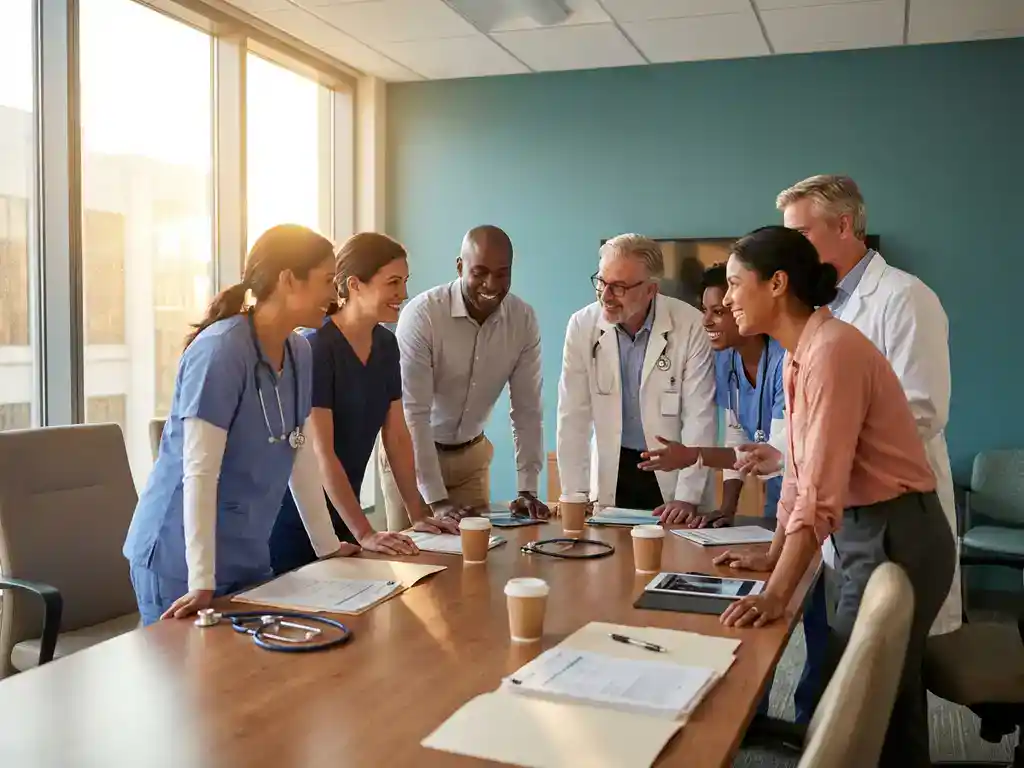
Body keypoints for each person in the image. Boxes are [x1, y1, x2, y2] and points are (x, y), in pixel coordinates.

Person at [660, 225, 952, 767]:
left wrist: (775, 594)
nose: (724, 301)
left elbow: (819, 492)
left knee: (862, 693)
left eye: (732, 284)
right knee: (884, 697)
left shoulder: (831, 352)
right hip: (870, 530)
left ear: (776, 284)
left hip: (897, 533)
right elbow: (797, 475)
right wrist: (774, 554)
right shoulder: (801, 353)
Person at [123, 224, 360, 626]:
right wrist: (201, 581)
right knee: (191, 685)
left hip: (246, 555)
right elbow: (198, 472)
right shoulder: (220, 351)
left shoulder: (300, 352)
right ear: (288, 279)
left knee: (250, 682)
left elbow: (298, 455)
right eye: (325, 281)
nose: (334, 296)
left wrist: (327, 547)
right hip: (179, 561)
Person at [777, 174, 961, 635]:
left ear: (843, 226)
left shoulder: (904, 298)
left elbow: (923, 408)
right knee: (858, 662)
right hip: (843, 512)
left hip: (892, 507)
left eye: (800, 236)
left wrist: (828, 455)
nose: (790, 251)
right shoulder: (818, 309)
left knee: (881, 670)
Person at [645, 262, 828, 725]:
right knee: (756, 609)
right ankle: (753, 718)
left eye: (721, 307)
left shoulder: (790, 357)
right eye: (707, 310)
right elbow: (735, 435)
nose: (710, 319)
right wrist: (726, 509)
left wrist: (692, 456)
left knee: (819, 616)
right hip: (779, 496)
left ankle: (813, 723)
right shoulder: (724, 361)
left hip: (812, 494)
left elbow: (781, 452)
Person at [270, 233, 459, 574]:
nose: (402, 294)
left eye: (404, 282)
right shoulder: (316, 348)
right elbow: (321, 452)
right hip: (298, 523)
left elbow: (398, 437)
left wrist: (418, 515)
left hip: (346, 517)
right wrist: (365, 531)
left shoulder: (386, 345)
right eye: (393, 282)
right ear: (354, 284)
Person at [383, 225, 549, 529]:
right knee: (415, 562)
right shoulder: (423, 316)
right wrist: (437, 501)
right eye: (480, 272)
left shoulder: (523, 321)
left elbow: (527, 410)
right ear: (460, 267)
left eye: (502, 273)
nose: (492, 284)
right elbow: (414, 415)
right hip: (412, 455)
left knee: (477, 560)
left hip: (471, 460)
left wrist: (527, 489)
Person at [556, 234, 717, 522]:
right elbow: (573, 417)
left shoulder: (690, 324)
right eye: (602, 282)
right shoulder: (582, 326)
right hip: (613, 469)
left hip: (673, 471)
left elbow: (699, 416)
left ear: (650, 290)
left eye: (619, 287)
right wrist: (574, 495)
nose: (605, 296)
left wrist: (687, 496)